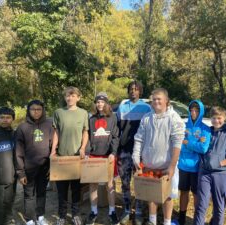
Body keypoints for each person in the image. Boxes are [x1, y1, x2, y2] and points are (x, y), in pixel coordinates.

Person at [132, 88, 185, 225]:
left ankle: (167, 222)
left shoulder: (174, 118)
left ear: (166, 101)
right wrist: (136, 158)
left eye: (159, 99)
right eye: (154, 99)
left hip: (167, 167)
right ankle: (152, 220)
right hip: (149, 165)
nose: (156, 102)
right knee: (152, 195)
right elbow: (139, 139)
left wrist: (172, 166)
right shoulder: (146, 117)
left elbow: (177, 144)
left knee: (168, 197)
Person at [193, 106, 226, 225]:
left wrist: (221, 163)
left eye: (219, 118)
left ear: (225, 118)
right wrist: (198, 142)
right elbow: (200, 148)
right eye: (214, 118)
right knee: (201, 204)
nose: (216, 121)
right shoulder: (207, 132)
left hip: (222, 174)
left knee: (219, 207)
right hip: (204, 172)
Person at [50, 86, 89, 225]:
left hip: (76, 158)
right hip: (62, 157)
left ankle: (75, 214)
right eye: (67, 95)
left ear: (78, 97)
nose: (70, 98)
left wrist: (83, 148)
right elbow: (56, 133)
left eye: (73, 95)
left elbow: (85, 132)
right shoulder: (58, 112)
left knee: (76, 190)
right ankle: (61, 215)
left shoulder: (83, 113)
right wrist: (53, 149)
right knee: (62, 190)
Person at [116, 81, 152, 225]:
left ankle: (138, 211)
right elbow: (117, 129)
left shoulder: (146, 108)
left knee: (139, 183)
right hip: (124, 151)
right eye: (131, 89)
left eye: (136, 89)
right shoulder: (122, 107)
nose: (133, 91)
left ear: (140, 92)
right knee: (125, 183)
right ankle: (126, 209)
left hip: (140, 153)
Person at [15, 100, 54, 225]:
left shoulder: (49, 125)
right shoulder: (22, 127)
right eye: (33, 109)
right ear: (28, 110)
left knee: (42, 193)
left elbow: (53, 146)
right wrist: (21, 173)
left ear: (43, 110)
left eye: (39, 109)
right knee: (29, 195)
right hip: (28, 168)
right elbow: (18, 152)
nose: (36, 112)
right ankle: (30, 219)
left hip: (44, 167)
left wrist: (51, 167)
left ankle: (40, 216)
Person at [85, 92, 119, 225]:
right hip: (93, 155)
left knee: (109, 184)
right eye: (98, 102)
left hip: (107, 155)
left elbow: (116, 136)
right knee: (92, 183)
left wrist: (113, 152)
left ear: (106, 103)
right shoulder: (91, 118)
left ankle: (112, 211)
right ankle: (93, 211)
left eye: (102, 102)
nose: (100, 104)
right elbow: (87, 136)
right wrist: (87, 152)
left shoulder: (112, 118)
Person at [177, 100, 211, 225]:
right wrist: (195, 143)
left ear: (201, 112)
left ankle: (197, 219)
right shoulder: (183, 126)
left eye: (196, 110)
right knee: (183, 192)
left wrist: (188, 143)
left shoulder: (205, 129)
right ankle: (181, 218)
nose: (193, 113)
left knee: (196, 193)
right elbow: (179, 145)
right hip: (183, 165)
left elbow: (203, 148)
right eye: (191, 110)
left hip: (197, 167)